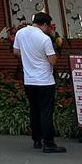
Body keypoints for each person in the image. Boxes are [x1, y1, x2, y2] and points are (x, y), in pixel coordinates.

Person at [12, 12, 66, 153]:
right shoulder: (44, 38)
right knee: (46, 112)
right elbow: (52, 60)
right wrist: (55, 42)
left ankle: (37, 140)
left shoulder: (20, 33)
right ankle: (48, 143)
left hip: (29, 80)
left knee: (34, 110)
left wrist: (28, 56)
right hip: (45, 81)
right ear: (45, 24)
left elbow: (16, 52)